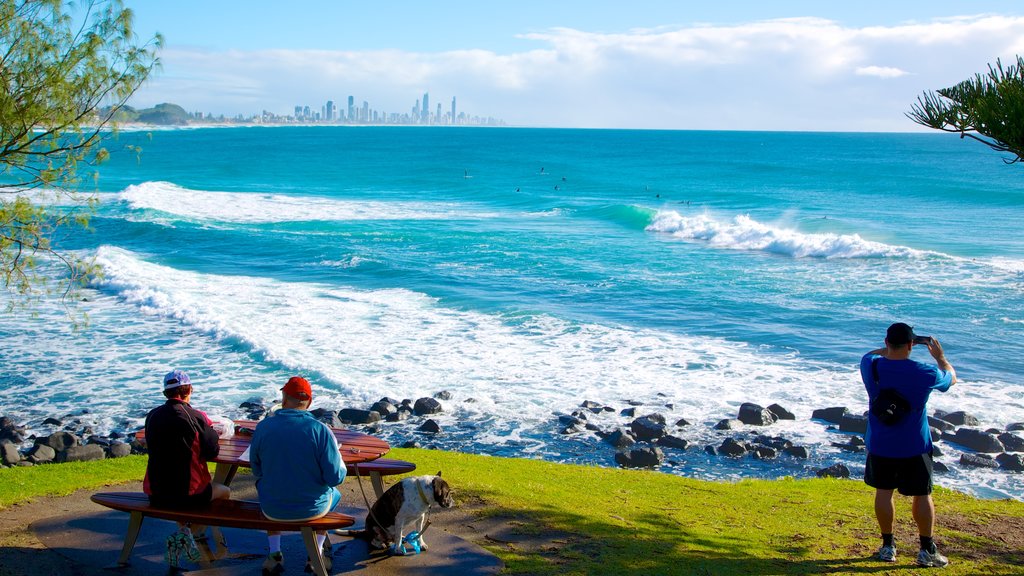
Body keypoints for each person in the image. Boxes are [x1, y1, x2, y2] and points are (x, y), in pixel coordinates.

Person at [860, 323, 956, 567]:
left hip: (880, 443)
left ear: (887, 341)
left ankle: (887, 547)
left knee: (883, 492)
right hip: (914, 444)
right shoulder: (924, 372)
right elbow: (951, 378)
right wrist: (940, 357)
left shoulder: (871, 366)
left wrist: (890, 349)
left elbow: (871, 354)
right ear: (912, 345)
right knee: (922, 495)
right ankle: (926, 550)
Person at [251, 376, 346, 575]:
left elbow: (256, 469)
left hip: (272, 507)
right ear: (309, 402)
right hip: (312, 509)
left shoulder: (263, 427)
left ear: (284, 398)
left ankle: (275, 554)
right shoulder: (320, 430)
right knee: (334, 493)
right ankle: (315, 554)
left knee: (269, 485)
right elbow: (335, 478)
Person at [143, 370, 230, 564]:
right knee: (224, 491)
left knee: (181, 500)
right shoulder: (195, 417)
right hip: (189, 494)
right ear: (189, 390)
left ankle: (186, 533)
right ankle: (196, 534)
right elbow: (212, 452)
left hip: (155, 493)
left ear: (166, 392)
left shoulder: (152, 416)